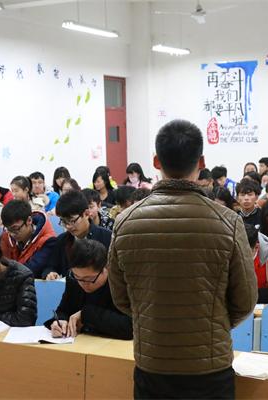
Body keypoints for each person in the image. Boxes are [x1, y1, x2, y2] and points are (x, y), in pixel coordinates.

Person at [108, 119, 257, 400]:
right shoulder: (228, 222)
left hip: (152, 365)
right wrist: (212, 324)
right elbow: (245, 300)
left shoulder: (125, 221)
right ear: (201, 162)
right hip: (210, 368)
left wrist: (153, 319)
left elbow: (121, 298)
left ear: (156, 161)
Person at [44, 239, 132, 340]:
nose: (83, 283)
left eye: (89, 279)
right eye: (77, 276)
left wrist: (86, 314)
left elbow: (130, 327)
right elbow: (63, 310)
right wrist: (60, 322)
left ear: (106, 268)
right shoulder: (73, 279)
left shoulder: (120, 283)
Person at [43, 190, 112, 280]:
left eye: (72, 221)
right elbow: (50, 266)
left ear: (86, 214)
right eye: (64, 221)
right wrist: (51, 273)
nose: (68, 226)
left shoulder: (107, 237)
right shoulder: (62, 240)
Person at [0, 200, 57, 279]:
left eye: (16, 229)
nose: (12, 234)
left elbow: (30, 270)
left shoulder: (48, 241)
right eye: (8, 229)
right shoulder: (6, 236)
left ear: (29, 220)